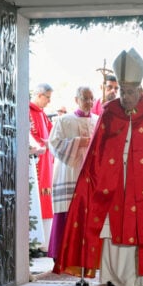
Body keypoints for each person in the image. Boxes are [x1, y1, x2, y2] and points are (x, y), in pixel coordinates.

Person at [53, 48, 143, 286]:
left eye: (130, 92)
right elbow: (96, 152)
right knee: (111, 229)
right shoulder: (109, 112)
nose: (125, 97)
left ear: (140, 90)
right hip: (113, 183)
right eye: (122, 92)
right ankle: (112, 276)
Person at [47, 86, 98, 260]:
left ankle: (86, 256)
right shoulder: (63, 120)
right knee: (67, 210)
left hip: (91, 173)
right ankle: (61, 254)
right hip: (70, 171)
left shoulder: (98, 120)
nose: (89, 102)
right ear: (76, 100)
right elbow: (53, 143)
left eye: (91, 99)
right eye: (85, 98)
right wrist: (78, 142)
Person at [29, 83, 54, 255]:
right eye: (47, 97)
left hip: (46, 162)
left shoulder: (42, 114)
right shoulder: (28, 111)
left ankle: (43, 242)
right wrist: (40, 145)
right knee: (36, 201)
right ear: (39, 95)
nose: (49, 101)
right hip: (36, 163)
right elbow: (31, 136)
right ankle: (34, 243)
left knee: (45, 201)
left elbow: (51, 133)